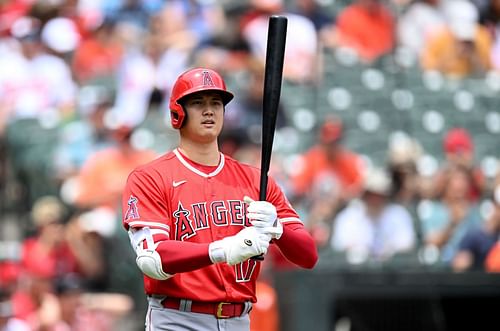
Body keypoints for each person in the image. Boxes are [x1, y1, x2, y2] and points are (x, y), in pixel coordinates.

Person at [121, 67, 318, 330]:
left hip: (240, 319)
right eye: (197, 102)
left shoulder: (255, 180)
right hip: (178, 318)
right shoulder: (150, 177)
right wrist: (223, 249)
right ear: (178, 113)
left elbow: (308, 255)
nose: (209, 110)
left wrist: (278, 229)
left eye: (216, 102)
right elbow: (153, 259)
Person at [331, 167, 416, 261]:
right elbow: (340, 245)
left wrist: (388, 251)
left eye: (379, 194)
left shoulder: (399, 215)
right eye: (371, 194)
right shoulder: (348, 217)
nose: (375, 199)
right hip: (356, 272)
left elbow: (406, 245)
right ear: (364, 194)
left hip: (392, 272)